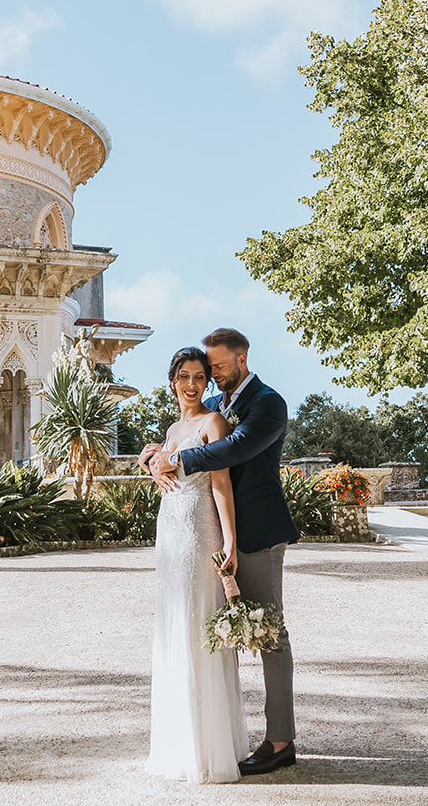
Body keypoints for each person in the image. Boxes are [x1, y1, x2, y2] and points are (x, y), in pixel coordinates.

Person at [143, 327, 299, 776]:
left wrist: (178, 460)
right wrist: (151, 458)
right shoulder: (217, 405)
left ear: (242, 359)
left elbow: (235, 448)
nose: (211, 376)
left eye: (218, 368)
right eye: (207, 370)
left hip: (258, 533)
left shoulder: (268, 403)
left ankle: (280, 740)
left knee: (271, 632)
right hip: (211, 535)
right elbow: (183, 432)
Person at [144, 346, 247, 783]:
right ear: (172, 381)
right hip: (169, 532)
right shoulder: (172, 428)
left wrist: (231, 541)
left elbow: (221, 484)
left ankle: (207, 748)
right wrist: (153, 468)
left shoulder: (213, 422)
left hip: (199, 529)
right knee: (174, 624)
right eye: (183, 376)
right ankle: (177, 742)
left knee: (196, 624)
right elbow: (164, 465)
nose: (191, 385)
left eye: (199, 377)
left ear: (207, 382)